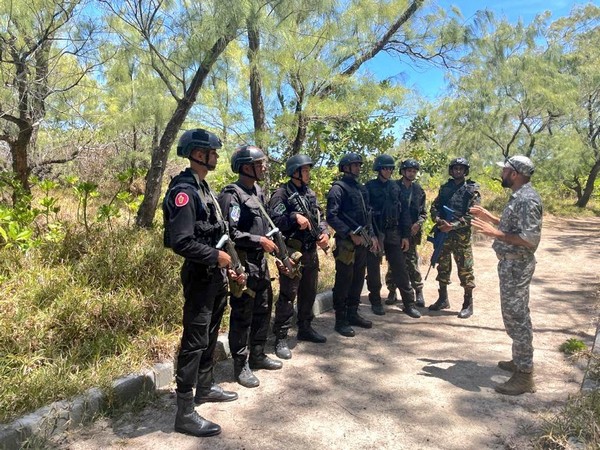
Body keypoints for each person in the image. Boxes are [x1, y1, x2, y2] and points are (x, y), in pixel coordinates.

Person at [162, 128, 242, 437]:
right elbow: (181, 242)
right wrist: (215, 257)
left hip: (214, 276)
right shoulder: (185, 191)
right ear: (198, 154)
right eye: (212, 152)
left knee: (209, 334)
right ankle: (184, 412)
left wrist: (229, 264)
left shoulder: (204, 188)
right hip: (199, 276)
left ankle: (205, 387)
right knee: (194, 341)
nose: (217, 156)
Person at [470, 155, 542, 395]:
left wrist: (495, 234)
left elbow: (530, 239)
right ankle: (519, 359)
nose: (501, 173)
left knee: (517, 317)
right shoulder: (520, 197)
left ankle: (524, 376)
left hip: (517, 266)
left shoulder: (527, 199)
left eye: (505, 170)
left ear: (515, 174)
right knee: (514, 315)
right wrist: (490, 218)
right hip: (511, 266)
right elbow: (514, 226)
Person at [218, 145, 283, 389]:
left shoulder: (257, 191)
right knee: (242, 313)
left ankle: (257, 353)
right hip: (243, 262)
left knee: (264, 307)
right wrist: (258, 240)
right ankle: (240, 364)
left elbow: (266, 225)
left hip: (261, 263)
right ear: (246, 167)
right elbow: (230, 233)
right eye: (259, 164)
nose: (264, 167)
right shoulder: (231, 195)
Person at [269, 154, 330, 359]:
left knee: (309, 292)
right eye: (304, 170)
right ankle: (281, 336)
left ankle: (305, 327)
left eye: (308, 170)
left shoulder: (310, 193)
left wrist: (324, 233)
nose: (308, 174)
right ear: (294, 172)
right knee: (288, 294)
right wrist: (294, 218)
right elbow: (274, 221)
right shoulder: (281, 194)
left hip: (310, 250)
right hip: (292, 251)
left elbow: (320, 217)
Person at [326, 152, 378, 337]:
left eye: (358, 165)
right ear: (346, 167)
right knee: (344, 280)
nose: (358, 167)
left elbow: (367, 215)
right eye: (354, 165)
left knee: (358, 278)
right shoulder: (337, 189)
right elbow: (331, 216)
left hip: (362, 240)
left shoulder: (361, 189)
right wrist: (348, 233)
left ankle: (352, 313)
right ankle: (340, 320)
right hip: (346, 243)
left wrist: (370, 235)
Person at [365, 155, 421, 318]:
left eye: (390, 168)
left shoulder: (396, 187)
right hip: (376, 232)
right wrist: (372, 235)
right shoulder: (369, 187)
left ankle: (409, 304)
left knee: (400, 269)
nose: (388, 171)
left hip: (394, 233)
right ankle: (375, 301)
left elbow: (404, 212)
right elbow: (365, 213)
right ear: (378, 169)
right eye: (385, 168)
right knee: (374, 270)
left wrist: (405, 235)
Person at [428, 157, 480, 319]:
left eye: (461, 169)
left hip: (461, 237)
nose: (458, 171)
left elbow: (473, 216)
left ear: (465, 171)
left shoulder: (471, 190)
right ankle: (443, 299)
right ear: (451, 170)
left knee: (465, 269)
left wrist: (454, 225)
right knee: (443, 267)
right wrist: (438, 220)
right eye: (455, 168)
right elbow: (434, 207)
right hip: (443, 234)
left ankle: (467, 303)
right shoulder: (445, 188)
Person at [385, 159, 427, 308]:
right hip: (396, 232)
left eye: (414, 171)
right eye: (409, 171)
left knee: (412, 262)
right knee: (393, 263)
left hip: (412, 233)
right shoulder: (393, 187)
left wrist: (418, 224)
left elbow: (423, 213)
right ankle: (392, 291)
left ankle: (418, 291)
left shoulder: (418, 190)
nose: (412, 173)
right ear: (403, 172)